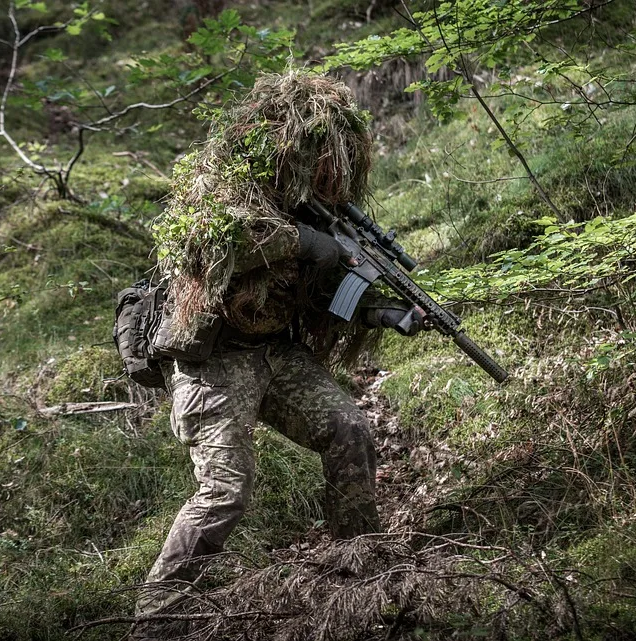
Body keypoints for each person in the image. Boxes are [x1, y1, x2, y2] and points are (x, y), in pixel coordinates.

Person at [132, 71, 425, 639]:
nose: (322, 171)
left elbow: (321, 302)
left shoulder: (323, 212)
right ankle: (156, 618)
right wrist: (318, 245)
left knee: (349, 429)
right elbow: (221, 245)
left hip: (276, 353)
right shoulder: (223, 191)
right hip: (211, 361)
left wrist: (383, 313)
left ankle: (357, 566)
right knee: (224, 488)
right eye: (312, 156)